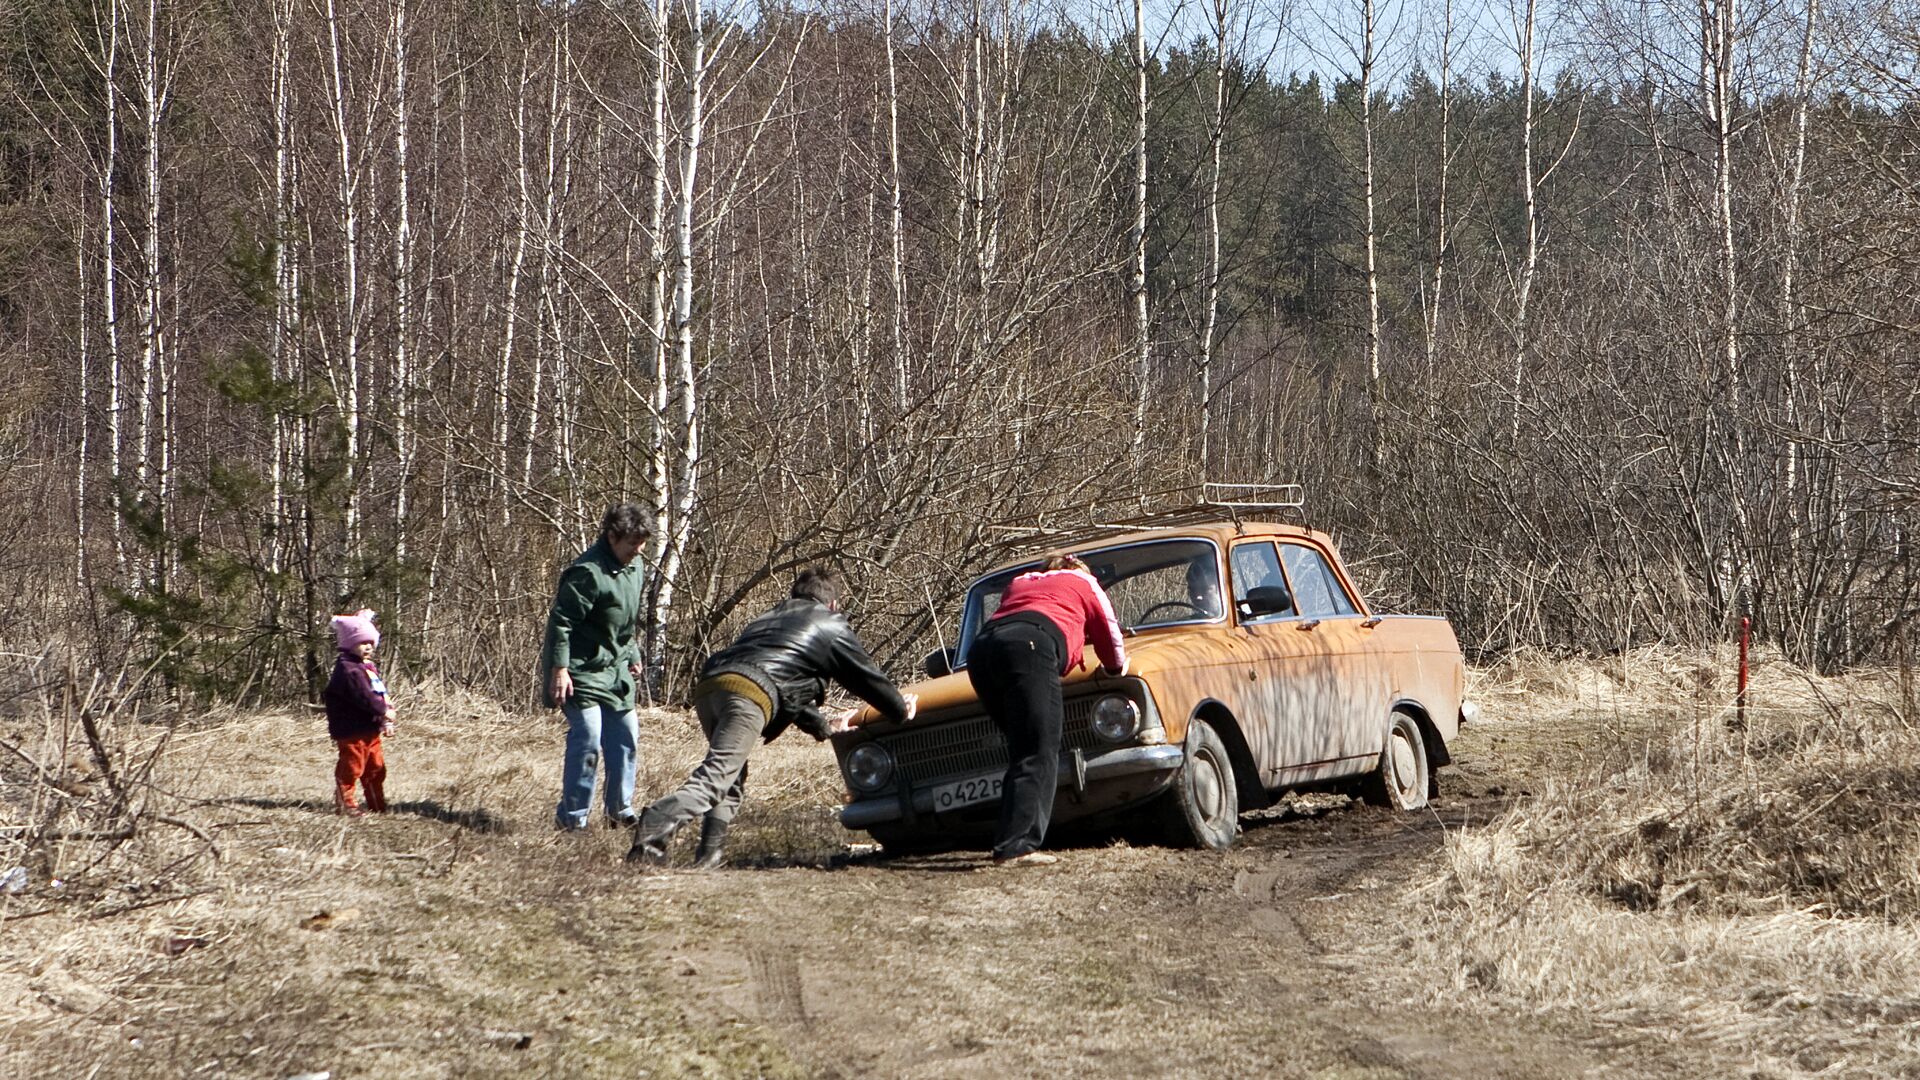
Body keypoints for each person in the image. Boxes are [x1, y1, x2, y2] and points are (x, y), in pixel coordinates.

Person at [627, 566, 916, 869]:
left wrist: (822, 726)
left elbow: (784, 684)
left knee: (731, 775)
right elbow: (866, 678)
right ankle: (657, 821)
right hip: (747, 694)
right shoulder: (829, 624)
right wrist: (899, 708)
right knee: (715, 779)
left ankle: (709, 859)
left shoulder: (769, 619)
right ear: (832, 605)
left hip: (711, 687)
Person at [968, 553, 1127, 866]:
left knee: (1023, 747)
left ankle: (1011, 836)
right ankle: (1016, 847)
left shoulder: (1020, 582)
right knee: (1038, 749)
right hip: (1030, 648)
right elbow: (1110, 634)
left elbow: (1022, 613)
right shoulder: (1085, 582)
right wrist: (1116, 667)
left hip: (982, 651)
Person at [542, 503, 651, 831]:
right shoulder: (588, 572)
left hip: (615, 670)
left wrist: (632, 653)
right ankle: (572, 820)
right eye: (632, 542)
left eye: (642, 542)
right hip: (581, 670)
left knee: (626, 734)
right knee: (588, 736)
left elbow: (626, 621)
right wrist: (559, 669)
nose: (638, 549)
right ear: (612, 536)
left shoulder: (636, 567)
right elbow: (561, 623)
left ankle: (619, 810)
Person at [323, 609, 395, 818]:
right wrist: (382, 711)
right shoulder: (349, 670)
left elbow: (379, 692)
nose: (368, 647)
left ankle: (376, 802)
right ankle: (345, 802)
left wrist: (385, 716)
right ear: (348, 644)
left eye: (371, 643)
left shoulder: (366, 667)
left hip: (369, 728)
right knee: (352, 766)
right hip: (351, 729)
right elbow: (365, 696)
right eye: (363, 643)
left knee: (376, 767)